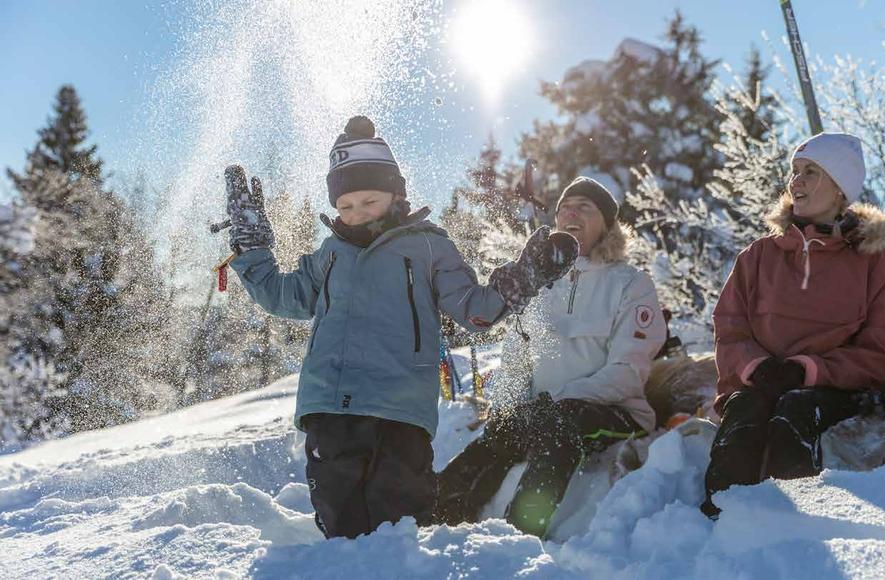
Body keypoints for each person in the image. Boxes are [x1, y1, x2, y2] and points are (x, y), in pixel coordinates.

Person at [224, 116, 577, 539]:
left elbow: (474, 310)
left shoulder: (428, 246)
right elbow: (281, 297)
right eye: (345, 206)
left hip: (400, 410)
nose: (356, 215)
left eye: (368, 202)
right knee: (341, 521)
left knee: (400, 518)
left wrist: (523, 277)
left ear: (395, 193)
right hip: (331, 407)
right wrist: (252, 250)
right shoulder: (330, 254)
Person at [434, 176, 667, 538]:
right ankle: (434, 524)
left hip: (614, 412)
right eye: (563, 209)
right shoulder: (540, 284)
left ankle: (520, 536)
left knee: (561, 422)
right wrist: (508, 411)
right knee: (494, 441)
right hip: (542, 410)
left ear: (606, 223)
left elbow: (627, 373)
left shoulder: (630, 284)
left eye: (584, 207)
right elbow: (516, 358)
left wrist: (557, 401)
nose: (570, 213)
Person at [701, 132, 885, 519]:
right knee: (744, 416)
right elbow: (729, 326)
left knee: (794, 411)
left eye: (811, 172)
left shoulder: (874, 263)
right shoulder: (760, 255)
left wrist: (808, 370)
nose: (796, 181)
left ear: (840, 191)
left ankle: (795, 527)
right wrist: (755, 367)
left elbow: (881, 351)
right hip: (758, 381)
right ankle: (721, 524)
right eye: (794, 171)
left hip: (834, 391)